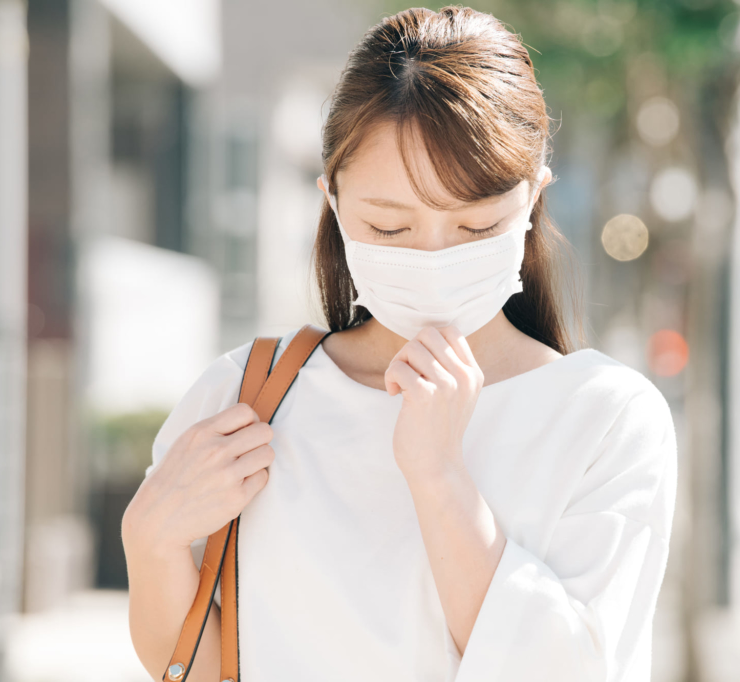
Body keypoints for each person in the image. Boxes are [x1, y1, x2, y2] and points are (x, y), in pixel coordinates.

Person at [122, 6, 677, 682]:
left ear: (532, 199)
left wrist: (440, 478)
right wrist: (148, 541)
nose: (434, 256)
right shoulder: (247, 399)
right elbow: (201, 669)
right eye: (389, 228)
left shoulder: (604, 419)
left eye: (476, 227)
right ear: (332, 201)